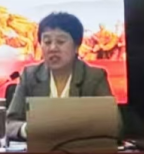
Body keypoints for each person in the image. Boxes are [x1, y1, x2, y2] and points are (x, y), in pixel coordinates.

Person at [6, 11, 115, 140]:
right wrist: (26, 129)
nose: (53, 48)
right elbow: (9, 124)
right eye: (47, 42)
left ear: (77, 46)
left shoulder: (93, 77)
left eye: (61, 41)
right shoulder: (29, 76)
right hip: (40, 150)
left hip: (80, 149)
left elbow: (114, 125)